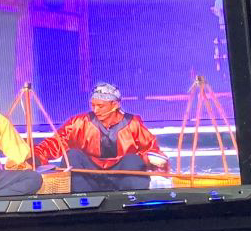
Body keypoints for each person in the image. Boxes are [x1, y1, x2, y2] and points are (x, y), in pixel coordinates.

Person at [33, 81, 169, 192]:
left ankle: (133, 204)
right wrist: (35, 157)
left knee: (133, 160)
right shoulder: (80, 123)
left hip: (122, 174)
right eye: (93, 105)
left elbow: (151, 148)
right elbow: (54, 143)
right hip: (89, 175)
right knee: (72, 155)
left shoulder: (133, 124)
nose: (95, 110)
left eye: (100, 106)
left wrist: (151, 158)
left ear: (115, 105)